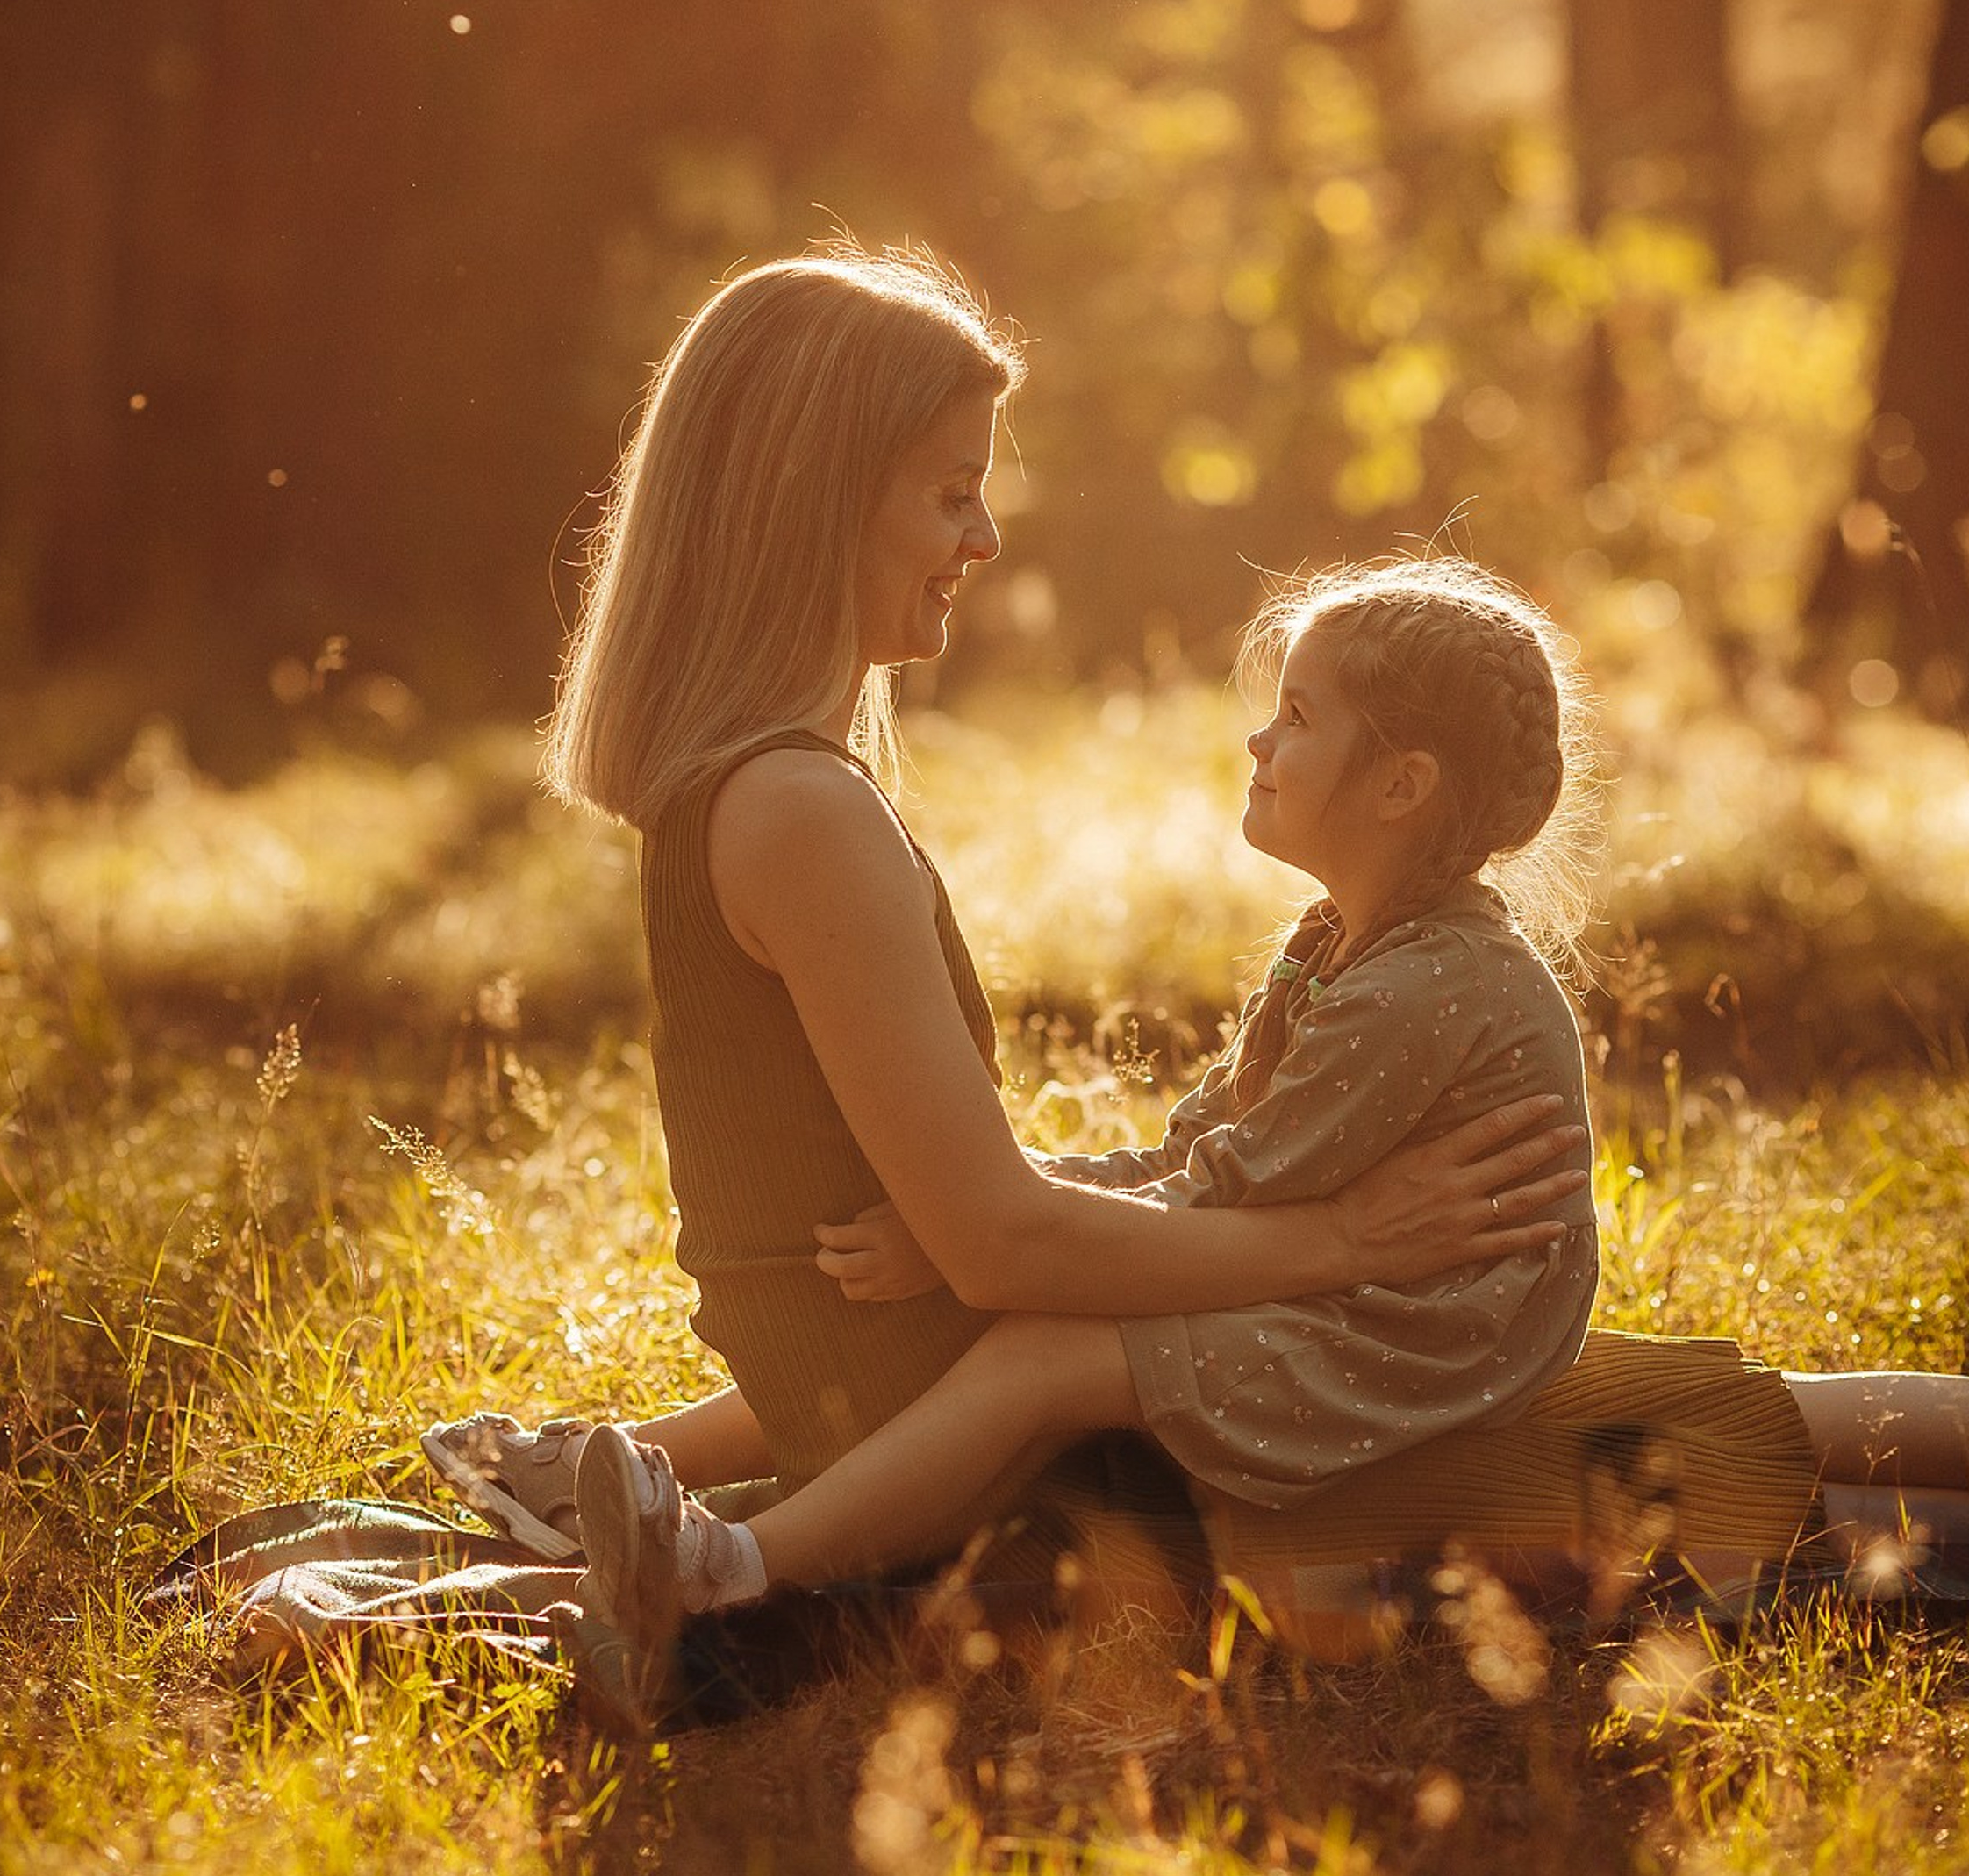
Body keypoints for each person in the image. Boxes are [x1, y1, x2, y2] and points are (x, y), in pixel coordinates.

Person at [426, 242, 1969, 1719]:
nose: (986, 540)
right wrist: (1353, 1236)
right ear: (815, 500)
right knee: (1674, 1442)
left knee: (1687, 1411)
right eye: (952, 493)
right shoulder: (801, 810)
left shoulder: (753, 792)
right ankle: (717, 1555)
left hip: (1086, 1401)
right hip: (1106, 1465)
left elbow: (1000, 1237)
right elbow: (1009, 1247)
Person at [569, 553, 1622, 1627]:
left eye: (1299, 717)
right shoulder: (1337, 947)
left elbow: (1228, 1195)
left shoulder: (1420, 987)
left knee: (1042, 1354)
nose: (1259, 741)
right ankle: (589, 1478)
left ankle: (735, 1571)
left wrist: (990, 1230)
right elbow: (1189, 1160)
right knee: (1009, 1299)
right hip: (1372, 1295)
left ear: (1401, 785)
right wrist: (991, 1208)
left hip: (1427, 1337)